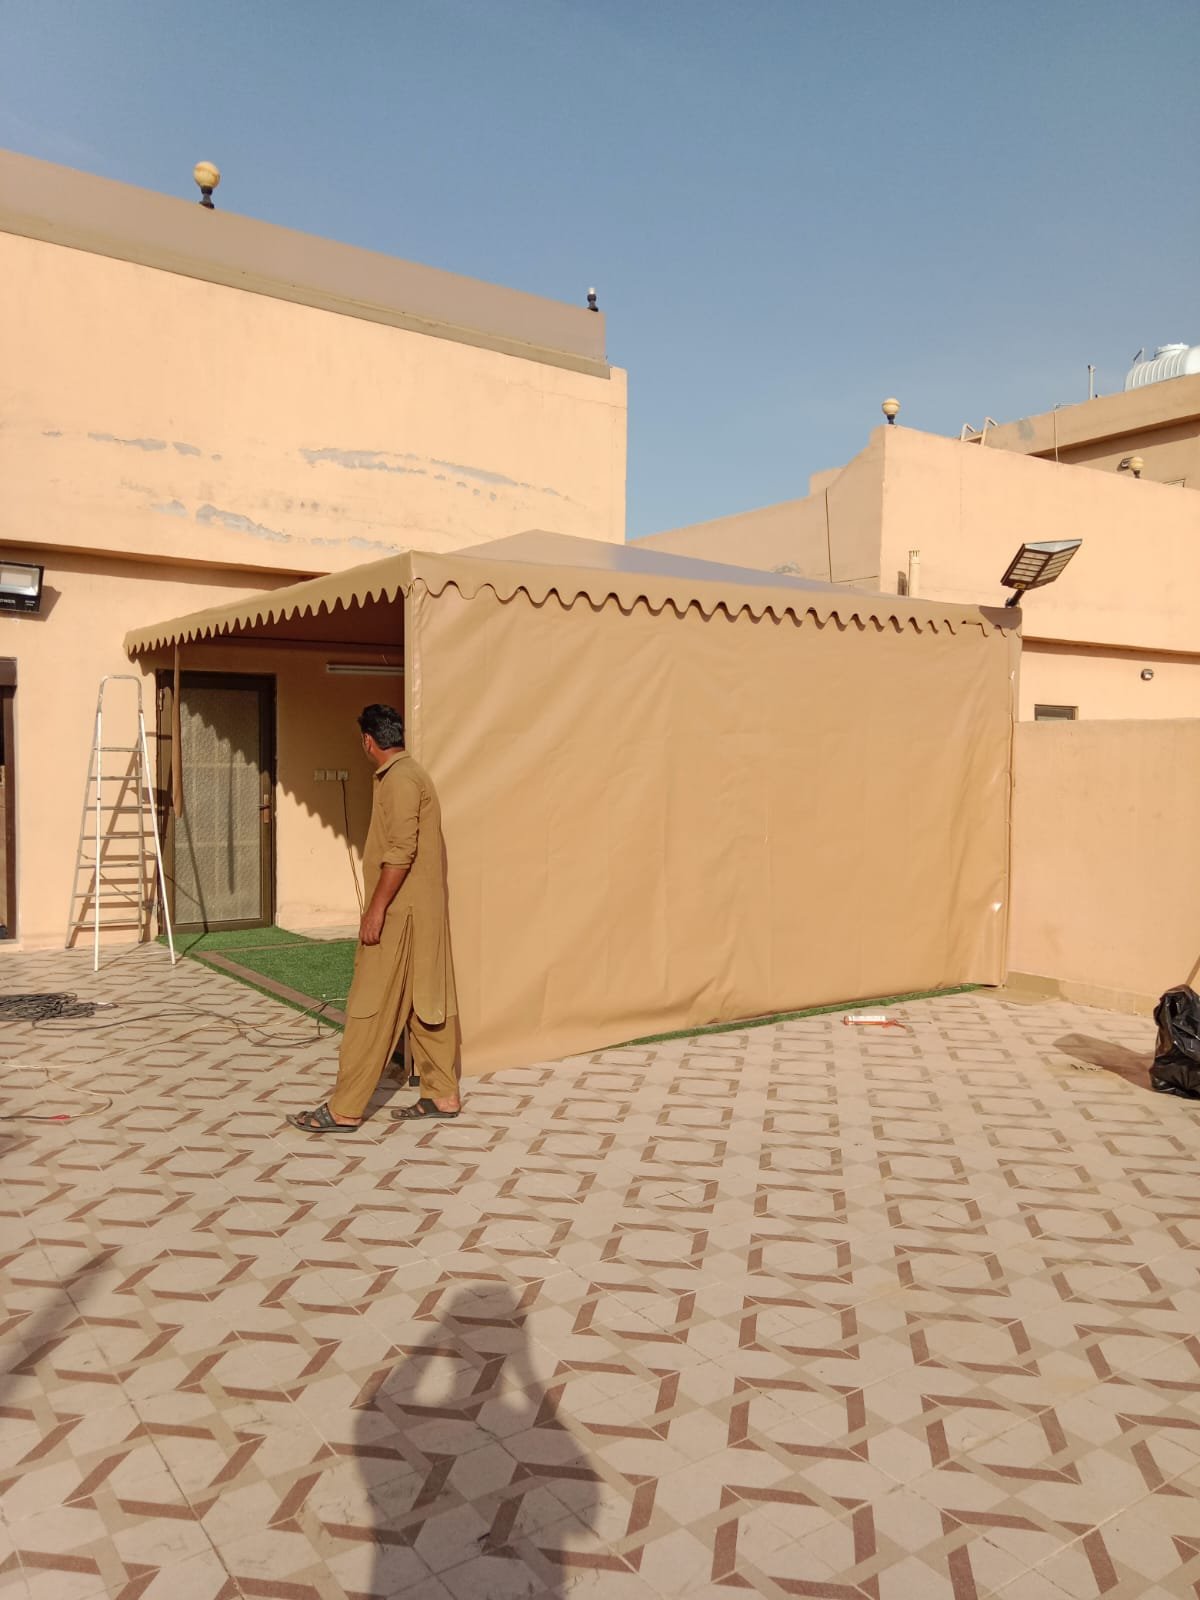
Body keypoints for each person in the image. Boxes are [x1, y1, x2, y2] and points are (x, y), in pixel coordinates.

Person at [288, 704, 460, 1133]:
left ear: (368, 741)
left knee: (370, 1007)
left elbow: (401, 852)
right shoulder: (411, 774)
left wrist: (376, 910)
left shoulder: (400, 780)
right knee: (427, 1001)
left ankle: (345, 1108)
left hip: (402, 913)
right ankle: (442, 1093)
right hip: (422, 912)